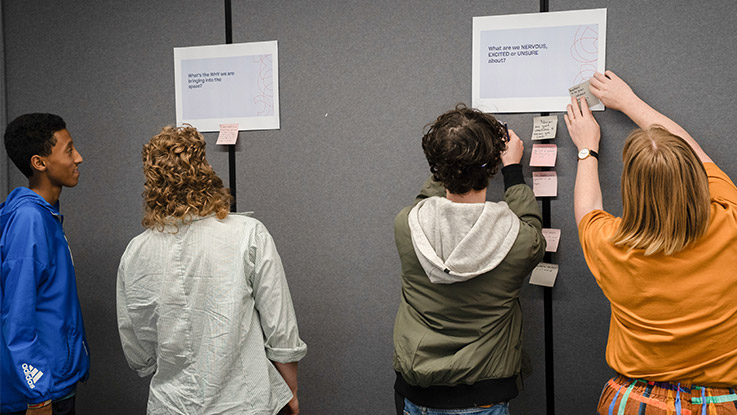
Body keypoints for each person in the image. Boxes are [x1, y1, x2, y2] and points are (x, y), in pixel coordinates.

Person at [565, 71, 737, 414]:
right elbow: (696, 152)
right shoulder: (731, 219)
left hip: (635, 402)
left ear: (630, 188)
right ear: (694, 178)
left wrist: (587, 149)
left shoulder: (611, 245)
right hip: (717, 404)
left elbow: (588, 208)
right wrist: (629, 102)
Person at [116, 125, 307, 415]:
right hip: (244, 403)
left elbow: (138, 347)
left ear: (151, 181)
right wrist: (290, 391)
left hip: (171, 405)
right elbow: (280, 331)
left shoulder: (136, 252)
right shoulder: (248, 234)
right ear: (204, 169)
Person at [393, 105, 546, 415]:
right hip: (483, 395)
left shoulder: (406, 224)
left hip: (417, 394)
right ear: (491, 165)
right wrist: (512, 170)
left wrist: (452, 154)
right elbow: (531, 225)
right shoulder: (521, 241)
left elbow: (426, 203)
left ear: (437, 166)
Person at [0, 113, 89, 415]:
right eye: (69, 150)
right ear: (39, 163)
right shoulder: (29, 220)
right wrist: (36, 394)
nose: (78, 158)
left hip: (55, 384)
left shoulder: (44, 215)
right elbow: (17, 315)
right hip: (42, 393)